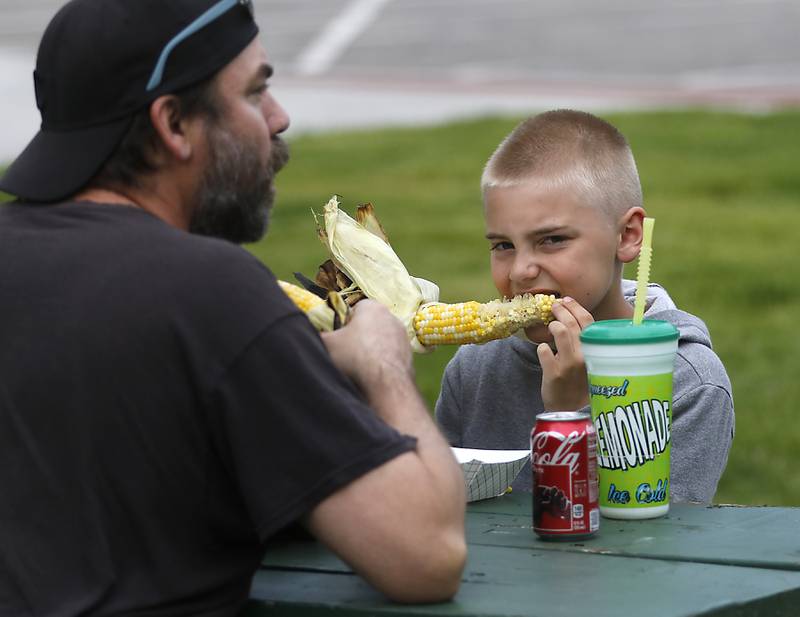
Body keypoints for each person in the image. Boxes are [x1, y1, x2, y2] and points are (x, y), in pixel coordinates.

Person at [0, 1, 466, 614]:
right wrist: (382, 363)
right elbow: (427, 554)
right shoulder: (205, 292)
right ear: (173, 123)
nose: (279, 118)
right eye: (254, 94)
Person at [435, 110, 734, 504]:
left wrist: (570, 415)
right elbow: (435, 514)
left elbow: (655, 549)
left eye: (552, 239)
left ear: (627, 236)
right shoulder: (473, 370)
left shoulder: (686, 384)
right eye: (503, 246)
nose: (522, 271)